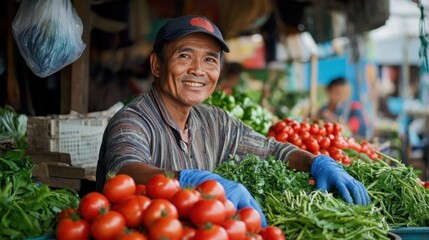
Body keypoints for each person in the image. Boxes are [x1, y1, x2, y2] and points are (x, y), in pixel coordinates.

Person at [96, 15, 370, 227]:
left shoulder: (215, 121)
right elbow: (122, 171)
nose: (198, 70)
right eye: (184, 56)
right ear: (156, 65)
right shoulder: (132, 120)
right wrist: (189, 179)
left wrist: (316, 162)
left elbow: (272, 150)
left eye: (210, 60)